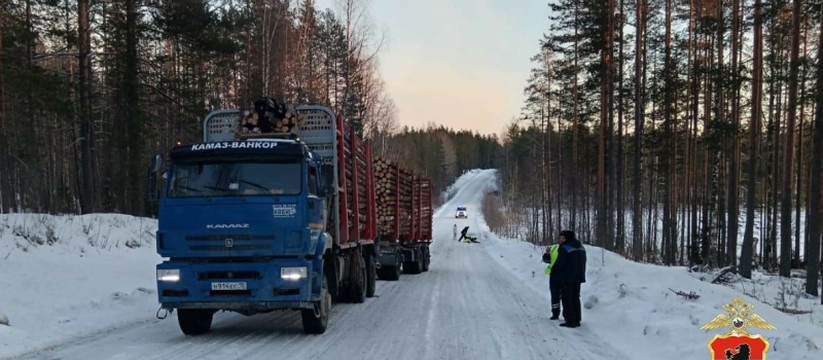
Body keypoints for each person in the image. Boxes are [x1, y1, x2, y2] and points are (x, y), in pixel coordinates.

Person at [551, 230, 586, 328]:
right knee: (575, 297)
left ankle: (570, 320)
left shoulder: (564, 248)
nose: (561, 240)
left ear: (566, 238)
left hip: (567, 277)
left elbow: (560, 263)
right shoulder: (581, 247)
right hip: (579, 276)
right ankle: (577, 319)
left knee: (567, 298)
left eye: (562, 238)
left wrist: (554, 271)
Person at [541, 243, 561, 320]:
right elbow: (546, 259)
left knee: (565, 296)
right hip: (554, 275)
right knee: (555, 295)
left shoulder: (568, 248)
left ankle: (567, 314)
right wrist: (547, 253)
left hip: (564, 275)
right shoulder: (554, 247)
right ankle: (555, 313)